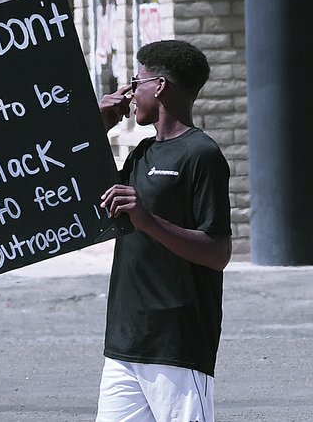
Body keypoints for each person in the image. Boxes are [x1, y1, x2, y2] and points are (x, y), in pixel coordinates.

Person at [95, 40, 232, 422]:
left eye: (135, 82)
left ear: (158, 87)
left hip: (177, 341)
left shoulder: (201, 154)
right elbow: (84, 204)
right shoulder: (140, 152)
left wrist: (149, 222)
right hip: (125, 340)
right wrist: (96, 128)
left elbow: (218, 252)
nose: (129, 93)